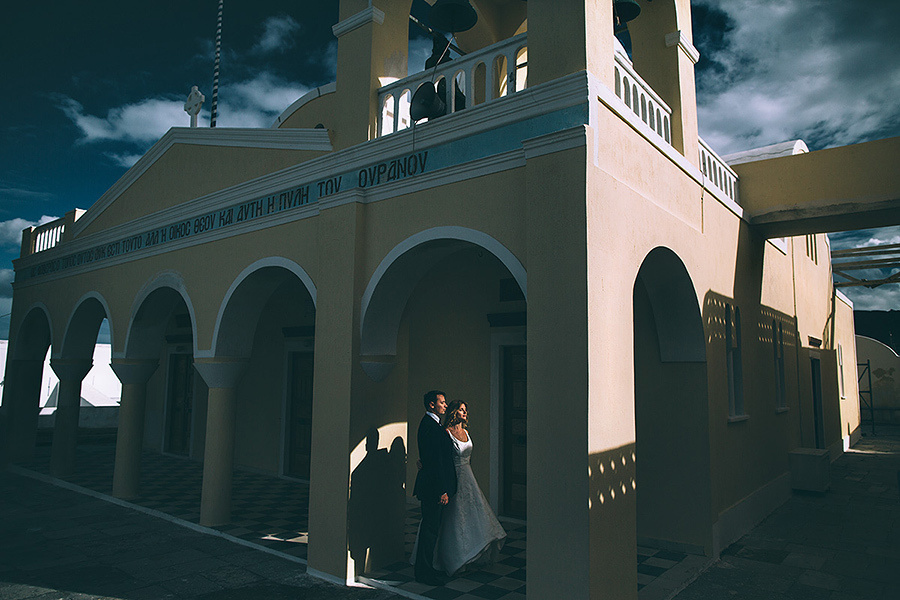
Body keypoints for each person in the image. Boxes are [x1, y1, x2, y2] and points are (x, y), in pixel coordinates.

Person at [433, 400, 506, 577]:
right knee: (456, 516)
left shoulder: (466, 432)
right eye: (461, 410)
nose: (465, 413)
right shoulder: (446, 433)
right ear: (453, 412)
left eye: (466, 410)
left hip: (469, 476)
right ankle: (456, 557)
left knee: (475, 513)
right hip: (454, 477)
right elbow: (441, 458)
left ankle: (476, 552)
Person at [412, 390, 457, 585]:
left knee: (432, 530)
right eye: (442, 402)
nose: (445, 405)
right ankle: (424, 573)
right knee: (429, 531)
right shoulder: (429, 426)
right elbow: (435, 462)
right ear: (432, 404)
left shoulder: (434, 425)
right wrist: (442, 490)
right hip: (433, 489)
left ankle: (427, 568)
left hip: (433, 486)